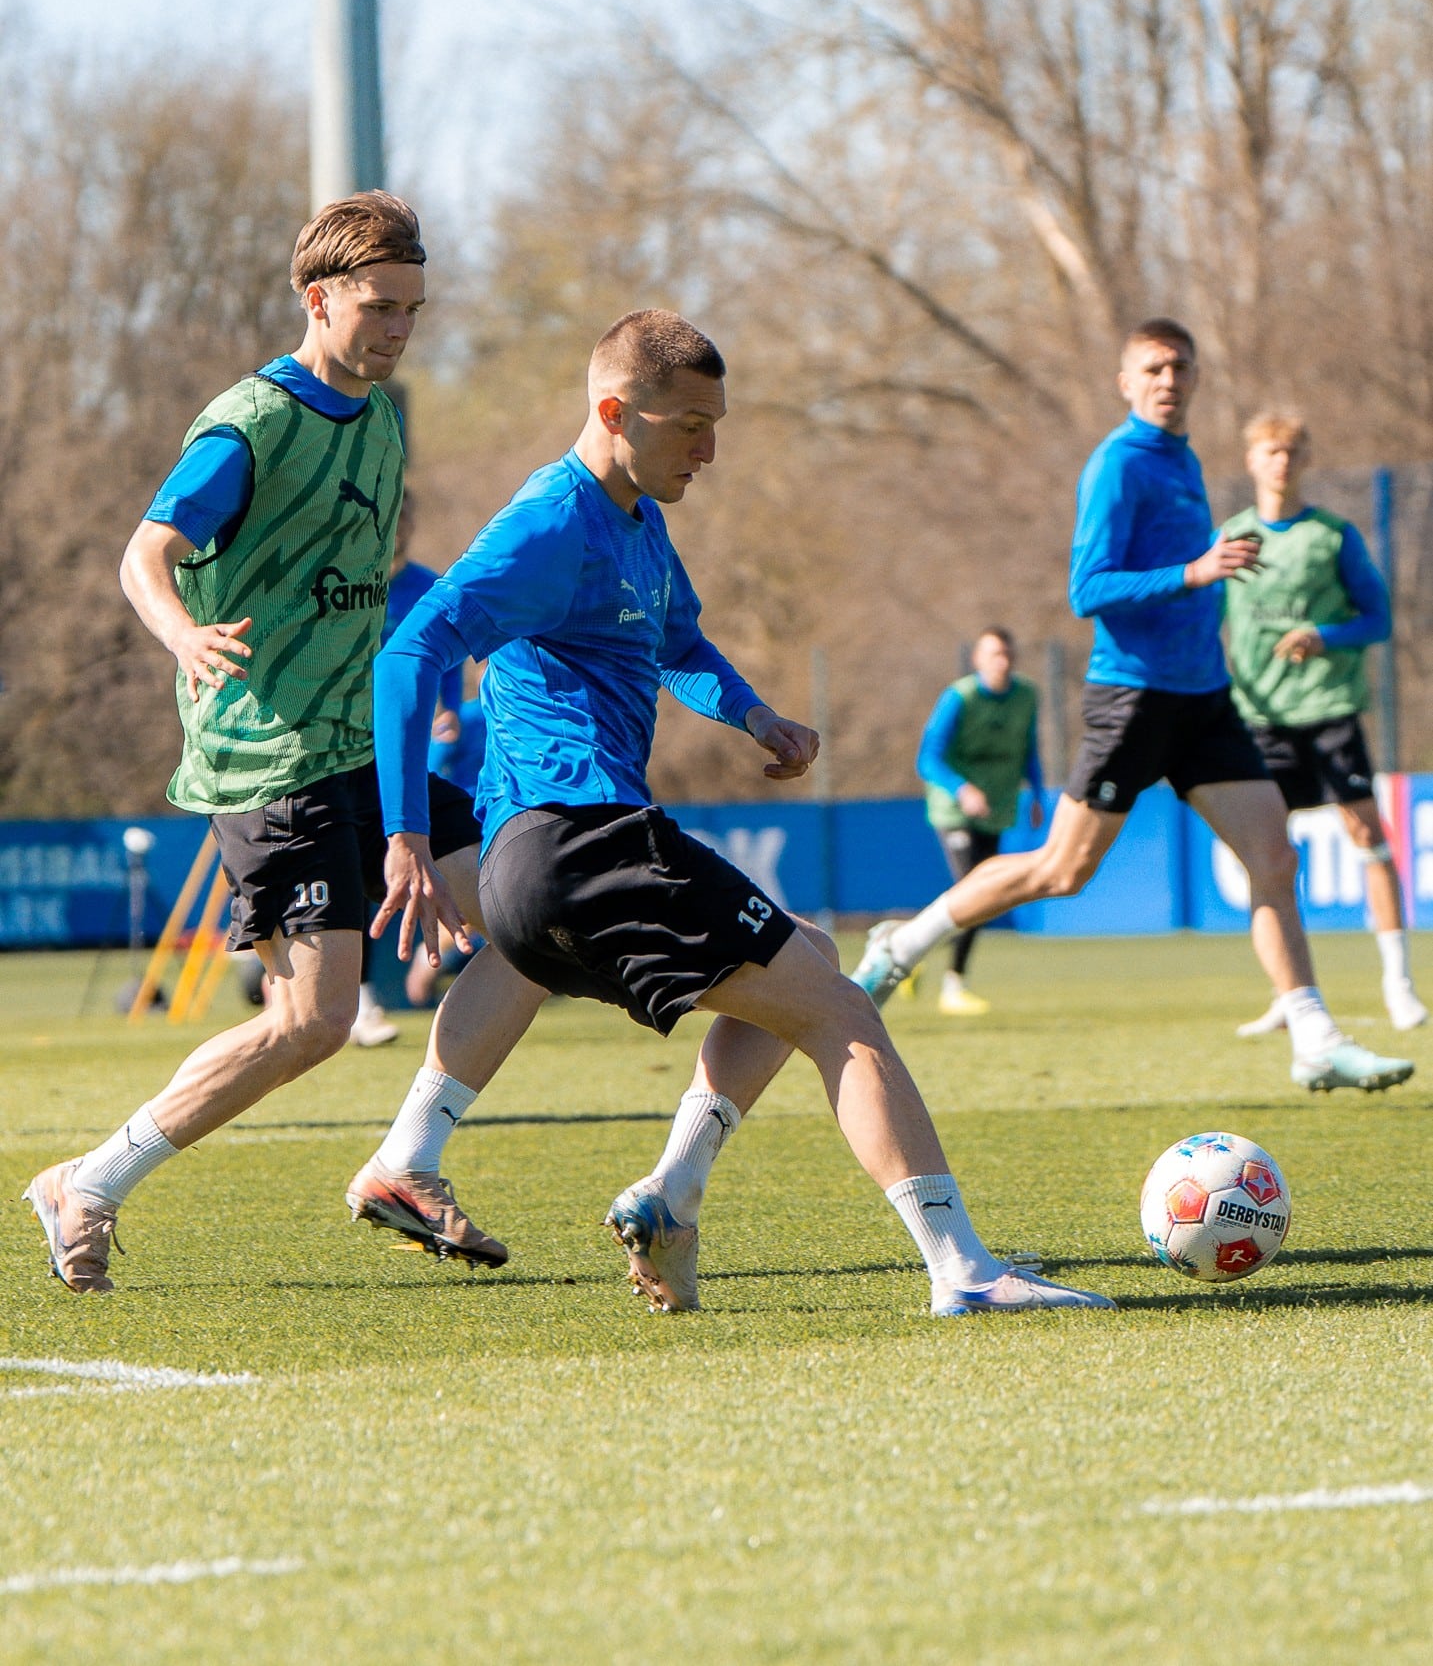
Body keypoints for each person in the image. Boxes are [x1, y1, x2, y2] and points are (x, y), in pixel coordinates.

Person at [357, 308, 1113, 1319]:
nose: (708, 450)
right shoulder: (551, 520)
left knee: (789, 958)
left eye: (718, 423)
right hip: (587, 840)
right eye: (688, 426)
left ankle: (644, 1191)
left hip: (533, 870)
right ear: (615, 412)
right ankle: (961, 1268)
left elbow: (678, 648)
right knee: (839, 1011)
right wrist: (405, 830)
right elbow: (414, 648)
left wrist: (755, 714)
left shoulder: (638, 527)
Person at [22, 191, 544, 1293]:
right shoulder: (249, 424)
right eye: (378, 307)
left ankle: (407, 1161)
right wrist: (183, 634)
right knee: (314, 1021)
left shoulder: (385, 416)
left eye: (412, 308)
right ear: (318, 298)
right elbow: (144, 554)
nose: (398, 330)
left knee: (530, 918)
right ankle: (92, 1180)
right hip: (269, 762)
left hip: (362, 747)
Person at [852, 318, 1415, 1097]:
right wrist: (1193, 571)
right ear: (1125, 381)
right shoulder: (1117, 464)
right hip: (1134, 696)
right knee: (1061, 870)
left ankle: (1313, 1037)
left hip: (1205, 700)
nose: (1166, 379)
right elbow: (1088, 589)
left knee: (1273, 857)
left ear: (1194, 378)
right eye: (1151, 367)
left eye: (1179, 366)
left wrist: (1203, 582)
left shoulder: (1181, 457)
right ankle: (900, 946)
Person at [1222, 413, 1426, 1037]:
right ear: (1251, 460)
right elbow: (1204, 620)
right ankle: (1290, 993)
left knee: (1369, 836)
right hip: (1261, 717)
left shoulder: (1331, 536)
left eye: (1290, 450)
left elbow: (1377, 619)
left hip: (1329, 708)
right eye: (1269, 450)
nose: (1280, 461)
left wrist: (1325, 634)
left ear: (1303, 458)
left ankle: (1398, 982)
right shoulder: (1230, 538)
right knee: (1266, 853)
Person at [347, 493, 468, 1044]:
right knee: (351, 871)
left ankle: (439, 963)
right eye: (386, 521)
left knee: (460, 851)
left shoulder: (429, 585)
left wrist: (447, 712)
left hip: (414, 755)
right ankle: (359, 1001)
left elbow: (446, 672)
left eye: (404, 520)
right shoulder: (346, 585)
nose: (395, 533)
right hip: (345, 754)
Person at [912, 627, 1044, 1015]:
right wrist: (962, 789)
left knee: (981, 900)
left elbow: (1028, 749)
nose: (1001, 662)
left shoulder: (1026, 696)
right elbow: (927, 758)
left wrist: (1036, 795)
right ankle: (953, 985)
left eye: (1006, 654)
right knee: (973, 890)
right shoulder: (959, 698)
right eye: (993, 654)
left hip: (998, 806)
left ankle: (909, 944)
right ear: (978, 659)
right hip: (954, 809)